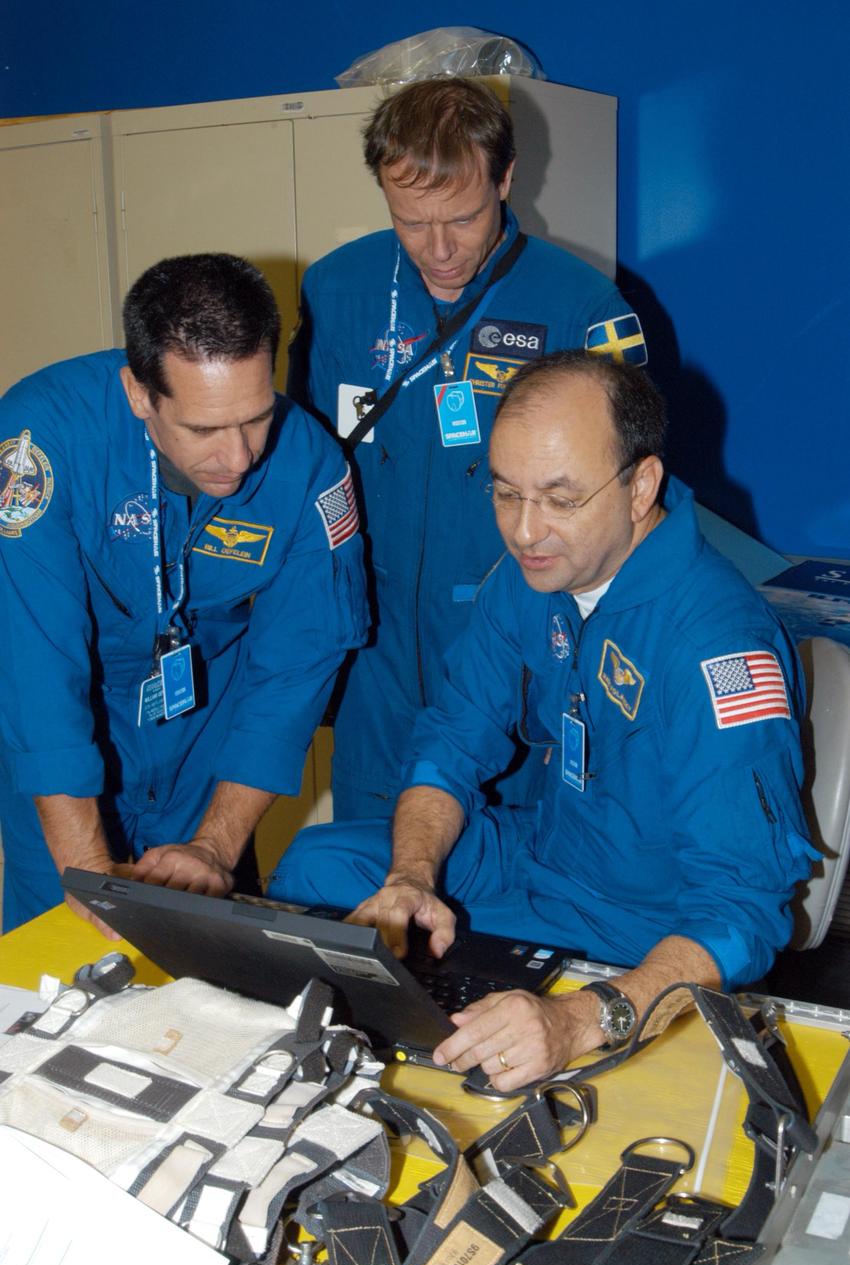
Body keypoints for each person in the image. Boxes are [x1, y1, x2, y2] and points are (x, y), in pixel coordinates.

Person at [270, 350, 818, 1088]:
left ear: (641, 486)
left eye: (560, 499)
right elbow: (454, 736)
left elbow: (741, 912)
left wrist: (578, 1020)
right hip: (542, 858)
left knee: (458, 1018)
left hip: (641, 925)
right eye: (505, 493)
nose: (526, 531)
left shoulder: (717, 647)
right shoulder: (538, 575)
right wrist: (411, 876)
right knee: (317, 871)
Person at [288, 77, 647, 820]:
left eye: (464, 217)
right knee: (373, 874)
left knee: (505, 891)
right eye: (411, 222)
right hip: (375, 656)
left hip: (517, 655)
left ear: (507, 179)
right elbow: (300, 467)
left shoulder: (581, 310)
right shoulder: (336, 290)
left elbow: (632, 513)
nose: (440, 250)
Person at [0, 253, 368, 933]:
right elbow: (34, 667)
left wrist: (215, 844)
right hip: (65, 736)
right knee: (58, 961)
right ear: (141, 394)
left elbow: (295, 668)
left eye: (256, 418)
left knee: (209, 968)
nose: (238, 458)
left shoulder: (309, 466)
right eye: (203, 429)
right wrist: (84, 871)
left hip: (207, 734)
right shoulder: (38, 445)